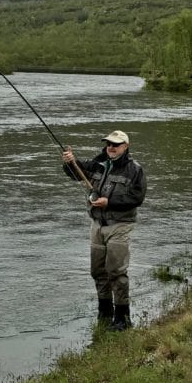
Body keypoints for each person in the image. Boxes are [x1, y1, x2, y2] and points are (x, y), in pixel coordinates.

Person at [62, 130, 147, 331]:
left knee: (116, 272)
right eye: (109, 143)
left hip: (120, 225)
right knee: (98, 271)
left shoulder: (134, 170)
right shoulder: (99, 163)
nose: (111, 147)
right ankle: (104, 311)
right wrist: (69, 162)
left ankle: (122, 318)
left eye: (116, 144)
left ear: (126, 146)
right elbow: (77, 171)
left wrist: (109, 202)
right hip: (97, 225)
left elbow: (137, 198)